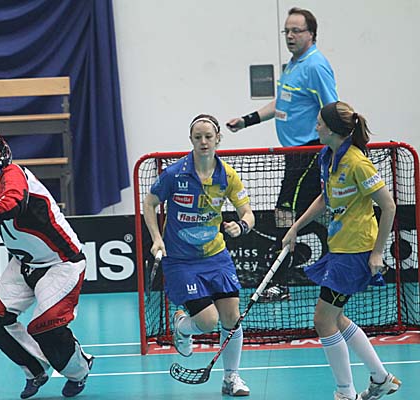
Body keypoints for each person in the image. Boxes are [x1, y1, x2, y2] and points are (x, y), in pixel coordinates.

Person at [0, 130, 93, 399]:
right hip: (24, 264)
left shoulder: (13, 173)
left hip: (61, 263)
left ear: (5, 152)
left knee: (45, 326)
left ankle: (80, 370)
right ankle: (35, 369)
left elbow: (12, 204)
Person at [282, 101, 401, 400]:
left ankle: (345, 393)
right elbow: (325, 198)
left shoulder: (358, 163)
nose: (316, 127)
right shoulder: (328, 156)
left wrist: (377, 252)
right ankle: (381, 378)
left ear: (334, 129)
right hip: (339, 248)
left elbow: (388, 206)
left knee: (323, 320)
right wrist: (295, 227)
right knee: (336, 319)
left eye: (320, 123)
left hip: (356, 251)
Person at [226, 7, 338, 302]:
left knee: (285, 212)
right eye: (286, 31)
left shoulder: (316, 66)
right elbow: (282, 104)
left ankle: (279, 283)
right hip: (293, 155)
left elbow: (333, 109)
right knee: (309, 213)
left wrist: (334, 150)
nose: (289, 36)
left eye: (296, 31)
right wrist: (247, 121)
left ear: (311, 34)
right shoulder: (292, 65)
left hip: (310, 152)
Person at [143, 114, 255, 396]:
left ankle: (231, 378)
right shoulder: (175, 174)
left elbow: (247, 213)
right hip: (181, 259)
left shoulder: (227, 176)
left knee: (232, 317)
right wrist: (156, 238)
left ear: (218, 139)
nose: (203, 142)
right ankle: (183, 327)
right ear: (191, 140)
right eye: (198, 137)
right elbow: (150, 203)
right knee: (207, 321)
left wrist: (241, 226)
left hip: (216, 256)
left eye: (208, 137)